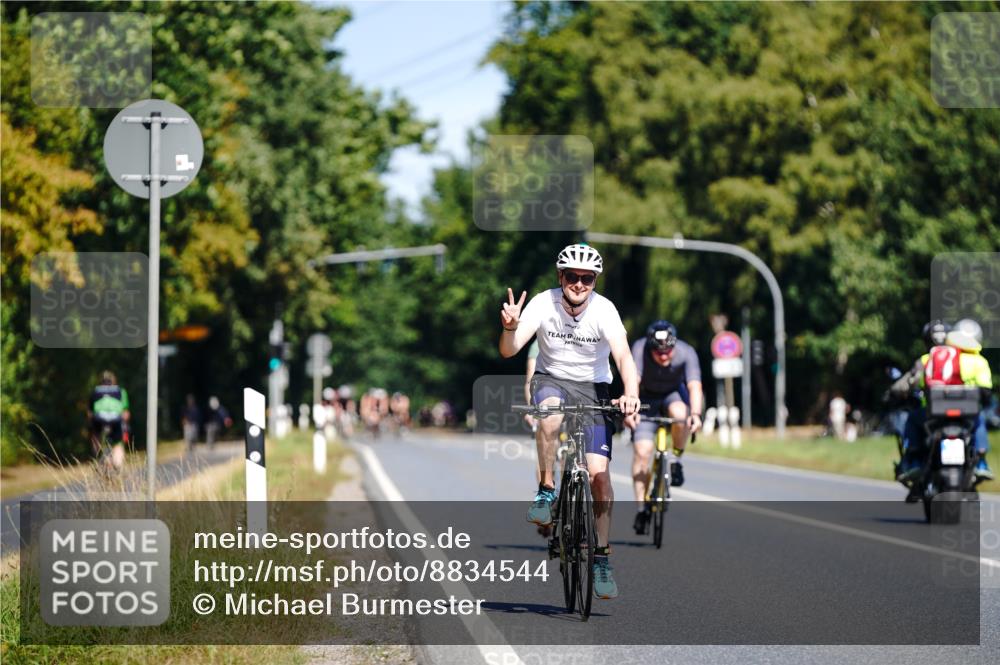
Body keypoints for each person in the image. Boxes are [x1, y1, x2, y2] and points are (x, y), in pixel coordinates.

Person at [499, 242, 641, 600]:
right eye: (573, 277)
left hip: (595, 387)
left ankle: (602, 557)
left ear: (594, 281)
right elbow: (509, 350)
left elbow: (623, 356)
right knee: (548, 414)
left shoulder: (605, 310)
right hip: (552, 378)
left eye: (587, 279)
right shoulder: (543, 304)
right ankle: (547, 490)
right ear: (560, 276)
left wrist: (631, 391)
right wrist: (510, 327)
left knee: (600, 478)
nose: (580, 284)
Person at [628, 321, 704, 535]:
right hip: (646, 400)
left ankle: (676, 459)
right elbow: (633, 378)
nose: (663, 356)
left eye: (667, 352)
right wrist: (631, 408)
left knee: (682, 414)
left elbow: (695, 386)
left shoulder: (686, 352)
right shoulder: (640, 348)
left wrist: (696, 415)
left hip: (672, 395)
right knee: (642, 452)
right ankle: (642, 509)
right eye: (658, 352)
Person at [87, 370, 130, 470]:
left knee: (95, 436)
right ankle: (118, 465)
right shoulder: (120, 391)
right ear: (114, 381)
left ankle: (96, 456)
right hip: (116, 421)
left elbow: (90, 413)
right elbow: (126, 413)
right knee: (118, 442)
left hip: (99, 421)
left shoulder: (95, 391)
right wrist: (125, 424)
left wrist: (91, 426)